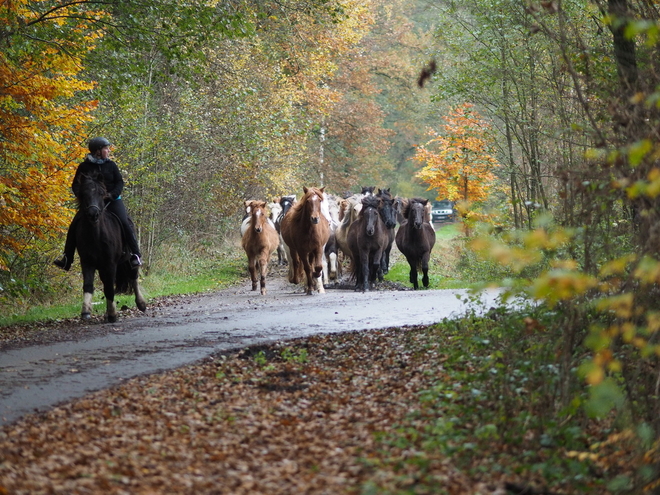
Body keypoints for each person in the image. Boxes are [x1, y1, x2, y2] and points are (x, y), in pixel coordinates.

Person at [53, 137, 142, 270]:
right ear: (98, 151)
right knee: (74, 224)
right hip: (91, 203)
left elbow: (119, 182)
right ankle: (67, 259)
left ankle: (135, 254)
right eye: (106, 148)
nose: (108, 151)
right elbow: (76, 185)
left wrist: (112, 195)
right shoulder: (84, 167)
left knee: (124, 222)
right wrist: (84, 197)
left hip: (112, 201)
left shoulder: (111, 165)